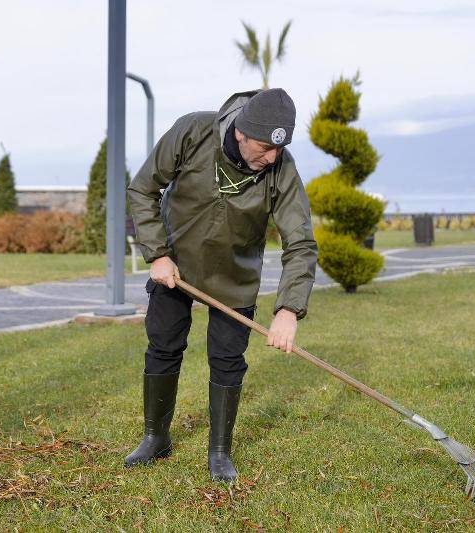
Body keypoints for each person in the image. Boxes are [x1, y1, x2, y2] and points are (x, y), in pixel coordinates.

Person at [125, 88, 318, 482]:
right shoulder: (193, 131)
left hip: (235, 275)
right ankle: (155, 437)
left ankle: (219, 452)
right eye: (264, 147)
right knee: (163, 345)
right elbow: (143, 188)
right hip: (174, 267)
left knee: (228, 361)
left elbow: (300, 241)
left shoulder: (281, 167)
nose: (272, 157)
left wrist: (288, 309)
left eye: (279, 149)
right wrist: (157, 254)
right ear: (242, 133)